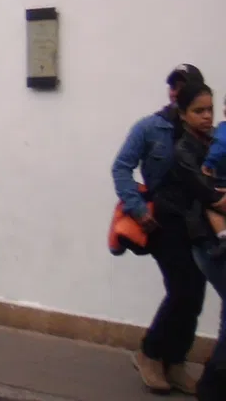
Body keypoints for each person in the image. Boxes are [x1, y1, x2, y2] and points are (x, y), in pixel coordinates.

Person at [116, 64, 209, 394]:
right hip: (162, 222)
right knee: (182, 289)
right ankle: (150, 353)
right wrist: (137, 208)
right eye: (172, 84)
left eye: (182, 85)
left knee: (194, 295)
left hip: (199, 224)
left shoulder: (204, 128)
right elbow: (121, 168)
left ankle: (176, 362)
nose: (174, 89)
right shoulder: (149, 128)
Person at [149, 79, 226, 399]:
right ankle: (156, 356)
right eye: (199, 111)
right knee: (183, 296)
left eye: (209, 110)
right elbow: (209, 195)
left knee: (199, 303)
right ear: (183, 113)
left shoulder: (214, 140)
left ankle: (196, 373)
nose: (207, 116)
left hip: (205, 234)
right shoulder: (183, 150)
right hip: (200, 238)